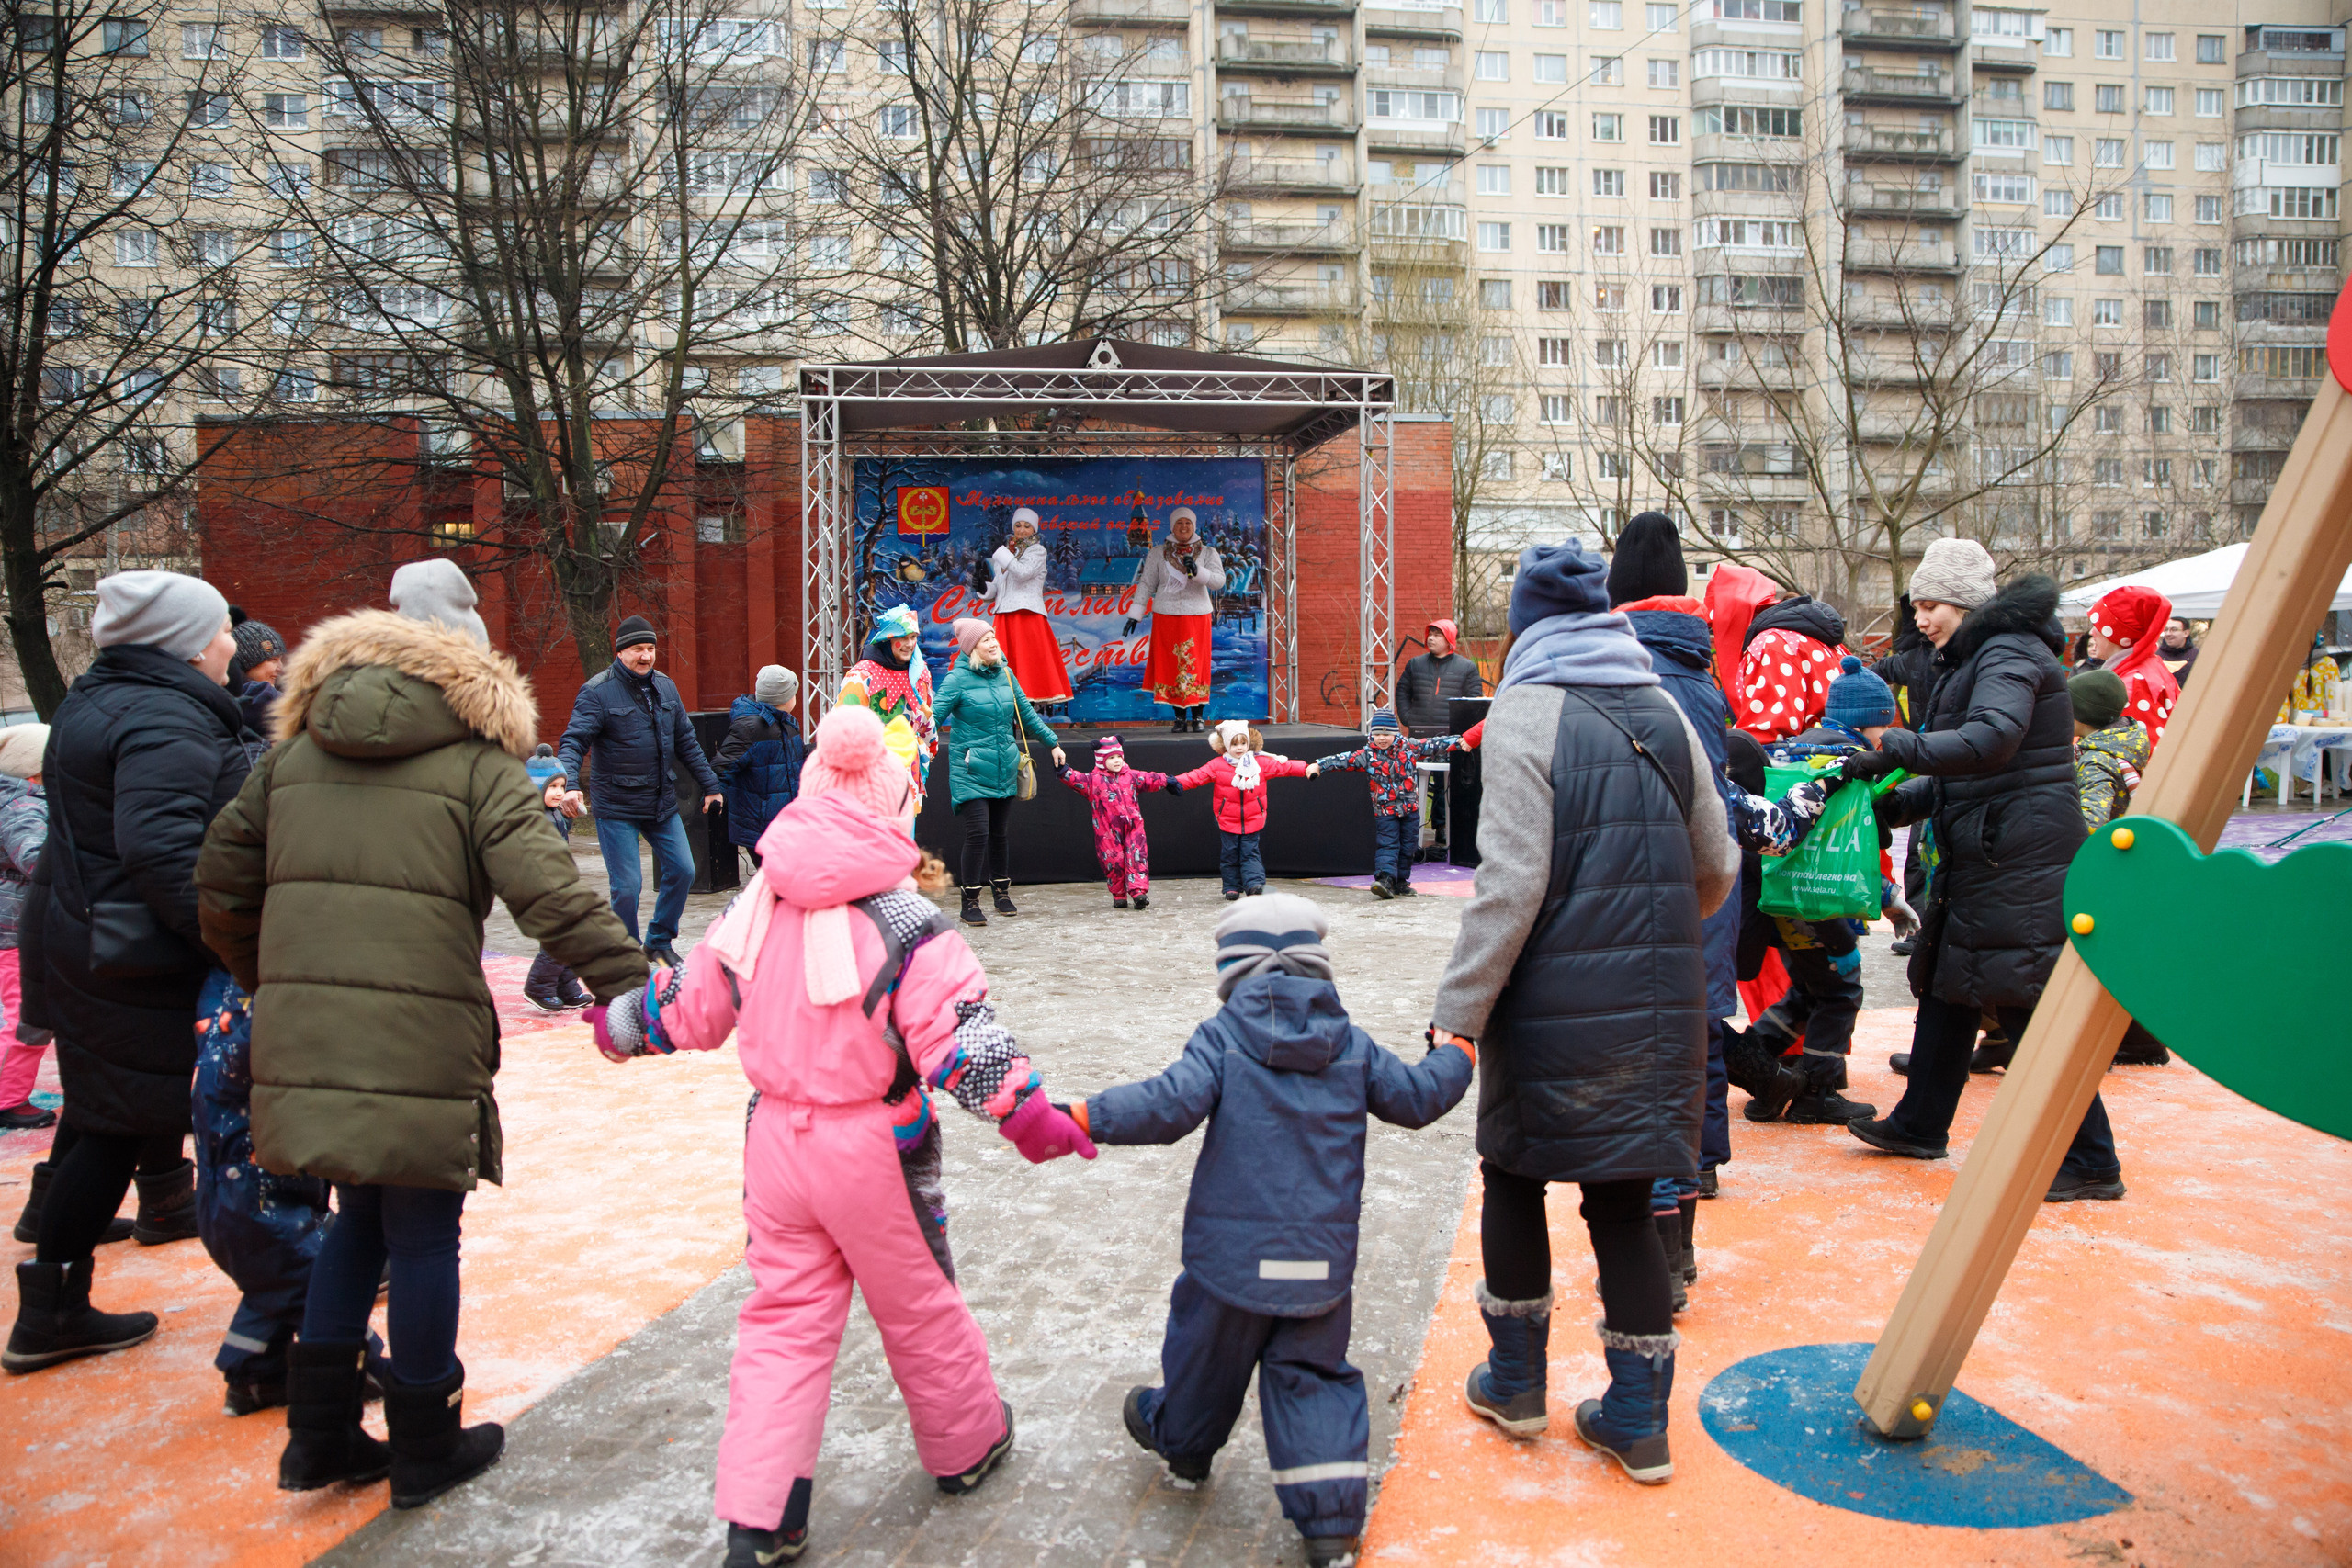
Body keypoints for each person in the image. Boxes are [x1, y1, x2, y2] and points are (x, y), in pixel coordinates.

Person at [587, 706, 1093, 1567]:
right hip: (877, 1150)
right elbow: (960, 1038)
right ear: (892, 811)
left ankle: (762, 1514)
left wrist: (621, 1021)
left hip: (775, 1149)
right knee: (918, 1303)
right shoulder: (905, 924)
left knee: (783, 1319)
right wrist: (1029, 1115)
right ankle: (966, 1446)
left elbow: (689, 1006)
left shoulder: (753, 907)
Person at [196, 574, 649, 1505]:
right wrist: (635, 985)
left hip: (306, 1028)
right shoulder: (479, 761)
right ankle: (423, 1445)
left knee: (354, 1218)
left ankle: (316, 1438)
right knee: (421, 1232)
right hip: (419, 1029)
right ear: (468, 665)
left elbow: (221, 880)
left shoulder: (291, 754)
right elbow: (550, 896)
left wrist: (270, 982)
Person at [1430, 538, 1736, 1484]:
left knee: (1515, 1174)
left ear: (1523, 620)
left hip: (1549, 999)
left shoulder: (1526, 712)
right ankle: (1639, 1419)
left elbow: (1510, 885)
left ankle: (1516, 1384)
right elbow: (1718, 862)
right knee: (1622, 1201)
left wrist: (1459, 1011)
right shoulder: (1662, 704)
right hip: (1661, 1003)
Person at [1074, 896, 1473, 1568]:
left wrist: (1088, 1115)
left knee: (1205, 1359)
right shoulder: (1350, 1044)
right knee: (1312, 1375)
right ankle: (1329, 1525)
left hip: (1228, 1264)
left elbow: (1166, 1104)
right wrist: (1456, 1054)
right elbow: (1417, 1097)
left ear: (1235, 973)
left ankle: (1184, 1444)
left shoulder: (1222, 1038)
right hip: (1318, 1265)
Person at [6, 572, 246, 1376]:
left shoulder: (100, 698)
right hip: (136, 956)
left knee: (101, 1113)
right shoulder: (162, 714)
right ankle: (51, 1312)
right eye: (220, 632)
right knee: (119, 1128)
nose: (231, 647)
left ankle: (53, 1295)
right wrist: (233, 946)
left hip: (89, 941)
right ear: (182, 642)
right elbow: (164, 851)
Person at [1838, 538, 2126, 1202]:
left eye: (1933, 605)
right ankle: (1919, 1122)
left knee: (2022, 999)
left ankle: (2091, 1159)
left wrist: (1895, 752)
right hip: (1990, 846)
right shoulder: (1971, 657)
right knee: (1946, 982)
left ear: (1966, 603)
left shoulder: (2008, 653)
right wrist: (1896, 803)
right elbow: (1965, 772)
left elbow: (1991, 742)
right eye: (1917, 606)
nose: (1923, 620)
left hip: (2019, 854)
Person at [1607, 512, 1736, 1283]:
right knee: (1690, 1058)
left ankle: (1659, 1259)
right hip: (1706, 891)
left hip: (1641, 893)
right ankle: (1679, 1239)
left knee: (1644, 1071)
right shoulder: (1705, 670)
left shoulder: (1625, 668)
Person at [1737, 657, 1899, 1128]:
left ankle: (1761, 1070)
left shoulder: (1790, 750)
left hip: (1779, 897)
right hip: (1819, 901)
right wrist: (1886, 894)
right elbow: (1850, 849)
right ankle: (1817, 1094)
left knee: (1808, 990)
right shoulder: (1851, 763)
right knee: (1840, 990)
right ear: (1871, 722)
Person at [549, 610, 725, 968]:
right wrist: (566, 783)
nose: (645, 656)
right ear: (620, 652)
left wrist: (711, 785)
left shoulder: (666, 686)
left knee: (684, 871)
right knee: (627, 887)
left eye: (650, 648)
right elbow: (573, 741)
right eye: (637, 649)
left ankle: (658, 941)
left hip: (661, 801)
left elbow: (687, 741)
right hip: (617, 806)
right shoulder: (597, 692)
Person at [930, 618, 1064, 927]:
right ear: (971, 648)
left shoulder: (1006, 673)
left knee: (999, 835)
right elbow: (933, 718)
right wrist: (912, 743)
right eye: (986, 640)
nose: (994, 643)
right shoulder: (956, 680)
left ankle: (1001, 893)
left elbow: (1027, 715)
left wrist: (1052, 743)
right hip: (970, 768)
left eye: (994, 638)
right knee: (978, 833)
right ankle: (970, 900)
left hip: (1005, 764)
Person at [2066, 671, 2169, 1069]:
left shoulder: (2096, 761)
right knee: (2126, 953)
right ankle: (2141, 1038)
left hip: (2108, 871)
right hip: (2134, 867)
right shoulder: (2133, 742)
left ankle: (2138, 1041)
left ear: (2083, 715)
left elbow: (2090, 823)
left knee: (2100, 956)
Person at [1305, 708, 1462, 899]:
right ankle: (1385, 879)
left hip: (1410, 809)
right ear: (1372, 734)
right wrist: (1320, 765)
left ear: (1395, 733)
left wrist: (1460, 741)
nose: (1382, 738)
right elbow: (1343, 759)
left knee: (1408, 847)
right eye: (1378, 734)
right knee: (1388, 845)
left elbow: (1435, 744)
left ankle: (1401, 882)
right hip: (1385, 811)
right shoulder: (1368, 754)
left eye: (1386, 734)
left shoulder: (1410, 748)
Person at [1174, 720, 1312, 901]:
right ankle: (1231, 887)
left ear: (1249, 743)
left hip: (1253, 818)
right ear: (1225, 745)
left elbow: (1283, 767)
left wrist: (1306, 768)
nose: (1239, 748)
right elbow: (1197, 776)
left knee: (1250, 853)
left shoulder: (1259, 763)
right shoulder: (1218, 765)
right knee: (1229, 854)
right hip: (1227, 819)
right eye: (1234, 744)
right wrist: (1175, 782)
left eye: (1243, 743)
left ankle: (1254, 884)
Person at [1125, 506, 1226, 733]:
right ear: (1172, 527)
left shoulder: (1208, 553)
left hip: (1197, 615)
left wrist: (1198, 570)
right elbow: (1147, 584)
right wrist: (1135, 614)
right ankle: (1179, 717)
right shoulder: (1158, 553)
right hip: (1166, 615)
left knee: (1196, 664)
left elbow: (1219, 581)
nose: (1184, 527)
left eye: (1188, 523)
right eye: (1179, 523)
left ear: (1194, 526)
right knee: (1171, 666)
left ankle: (1198, 716)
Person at [1393, 618, 1485, 856]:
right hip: (1419, 736)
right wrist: (1408, 718)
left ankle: (1443, 828)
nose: (1430, 638)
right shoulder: (1415, 664)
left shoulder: (1466, 668)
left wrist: (1463, 730)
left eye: (1437, 634)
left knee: (1448, 785)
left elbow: (1474, 702)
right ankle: (1410, 834)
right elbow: (1402, 691)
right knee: (1413, 782)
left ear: (1449, 640)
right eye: (1430, 633)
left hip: (1452, 738)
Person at [0, 725, 53, 1130]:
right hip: (16, 931)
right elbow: (35, 859)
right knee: (26, 1016)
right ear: (35, 772)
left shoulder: (19, 801)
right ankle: (7, 1098)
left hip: (14, 927)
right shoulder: (22, 807)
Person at [1055, 733, 1177, 909]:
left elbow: (1149, 778)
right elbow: (1075, 779)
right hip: (1107, 832)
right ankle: (1119, 894)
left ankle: (1138, 892)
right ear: (1101, 760)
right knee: (1115, 862)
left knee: (1137, 857)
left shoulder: (1131, 776)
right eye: (1111, 757)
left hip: (1134, 827)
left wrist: (1167, 780)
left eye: (1119, 756)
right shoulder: (1093, 781)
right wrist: (1063, 771)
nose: (1117, 760)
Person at [975, 507, 1075, 716]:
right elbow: (999, 587)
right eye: (1018, 525)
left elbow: (1022, 573)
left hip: (1026, 616)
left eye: (1026, 526)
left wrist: (1000, 554)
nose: (1021, 530)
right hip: (1005, 616)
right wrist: (984, 588)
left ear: (1034, 530)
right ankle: (1009, 718)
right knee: (1006, 667)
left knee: (1028, 667)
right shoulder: (1007, 553)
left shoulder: (1037, 551)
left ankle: (1029, 718)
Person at [519, 744, 593, 1013]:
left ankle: (566, 987)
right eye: (552, 787)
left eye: (562, 785)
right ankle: (538, 987)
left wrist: (568, 817)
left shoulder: (551, 813)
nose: (559, 792)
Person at [712, 665, 805, 868]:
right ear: (784, 698)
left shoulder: (786, 723)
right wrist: (713, 792)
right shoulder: (751, 727)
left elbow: (792, 759)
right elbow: (723, 765)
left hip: (785, 820)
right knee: (777, 882)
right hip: (759, 822)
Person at [1732, 588, 1849, 745]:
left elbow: (1768, 729)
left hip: (1807, 763)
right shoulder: (1832, 645)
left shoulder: (1772, 644)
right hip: (1847, 757)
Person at [837, 605, 937, 792]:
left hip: (909, 770)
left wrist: (931, 744)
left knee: (907, 821)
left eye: (913, 637)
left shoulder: (920, 671)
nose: (909, 644)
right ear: (887, 639)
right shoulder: (862, 675)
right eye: (903, 638)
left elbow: (926, 713)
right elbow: (843, 725)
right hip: (870, 773)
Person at [2086, 586, 2180, 749]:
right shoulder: (2145, 671)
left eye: (2099, 626)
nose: (2092, 632)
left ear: (2117, 634)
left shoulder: (2133, 685)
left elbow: (2135, 754)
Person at [2158, 616, 2198, 685]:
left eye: (2174, 630)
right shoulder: (2155, 656)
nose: (2168, 634)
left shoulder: (2197, 657)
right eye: (2166, 629)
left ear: (2186, 633)